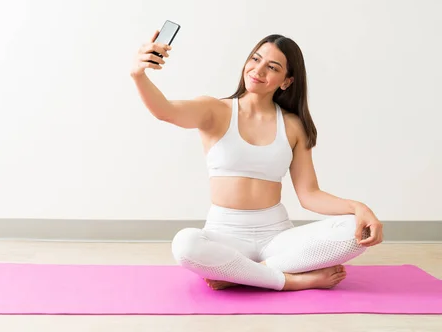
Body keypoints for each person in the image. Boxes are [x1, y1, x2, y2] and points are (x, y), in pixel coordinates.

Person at [130, 31, 384, 291]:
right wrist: (139, 74)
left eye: (272, 67)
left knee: (357, 231)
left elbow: (309, 194)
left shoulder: (293, 125)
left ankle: (244, 273)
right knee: (185, 244)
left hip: (276, 236)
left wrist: (358, 208)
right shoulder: (215, 110)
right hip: (224, 236)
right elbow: (166, 111)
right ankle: (289, 280)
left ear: (286, 81)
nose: (258, 70)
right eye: (256, 59)